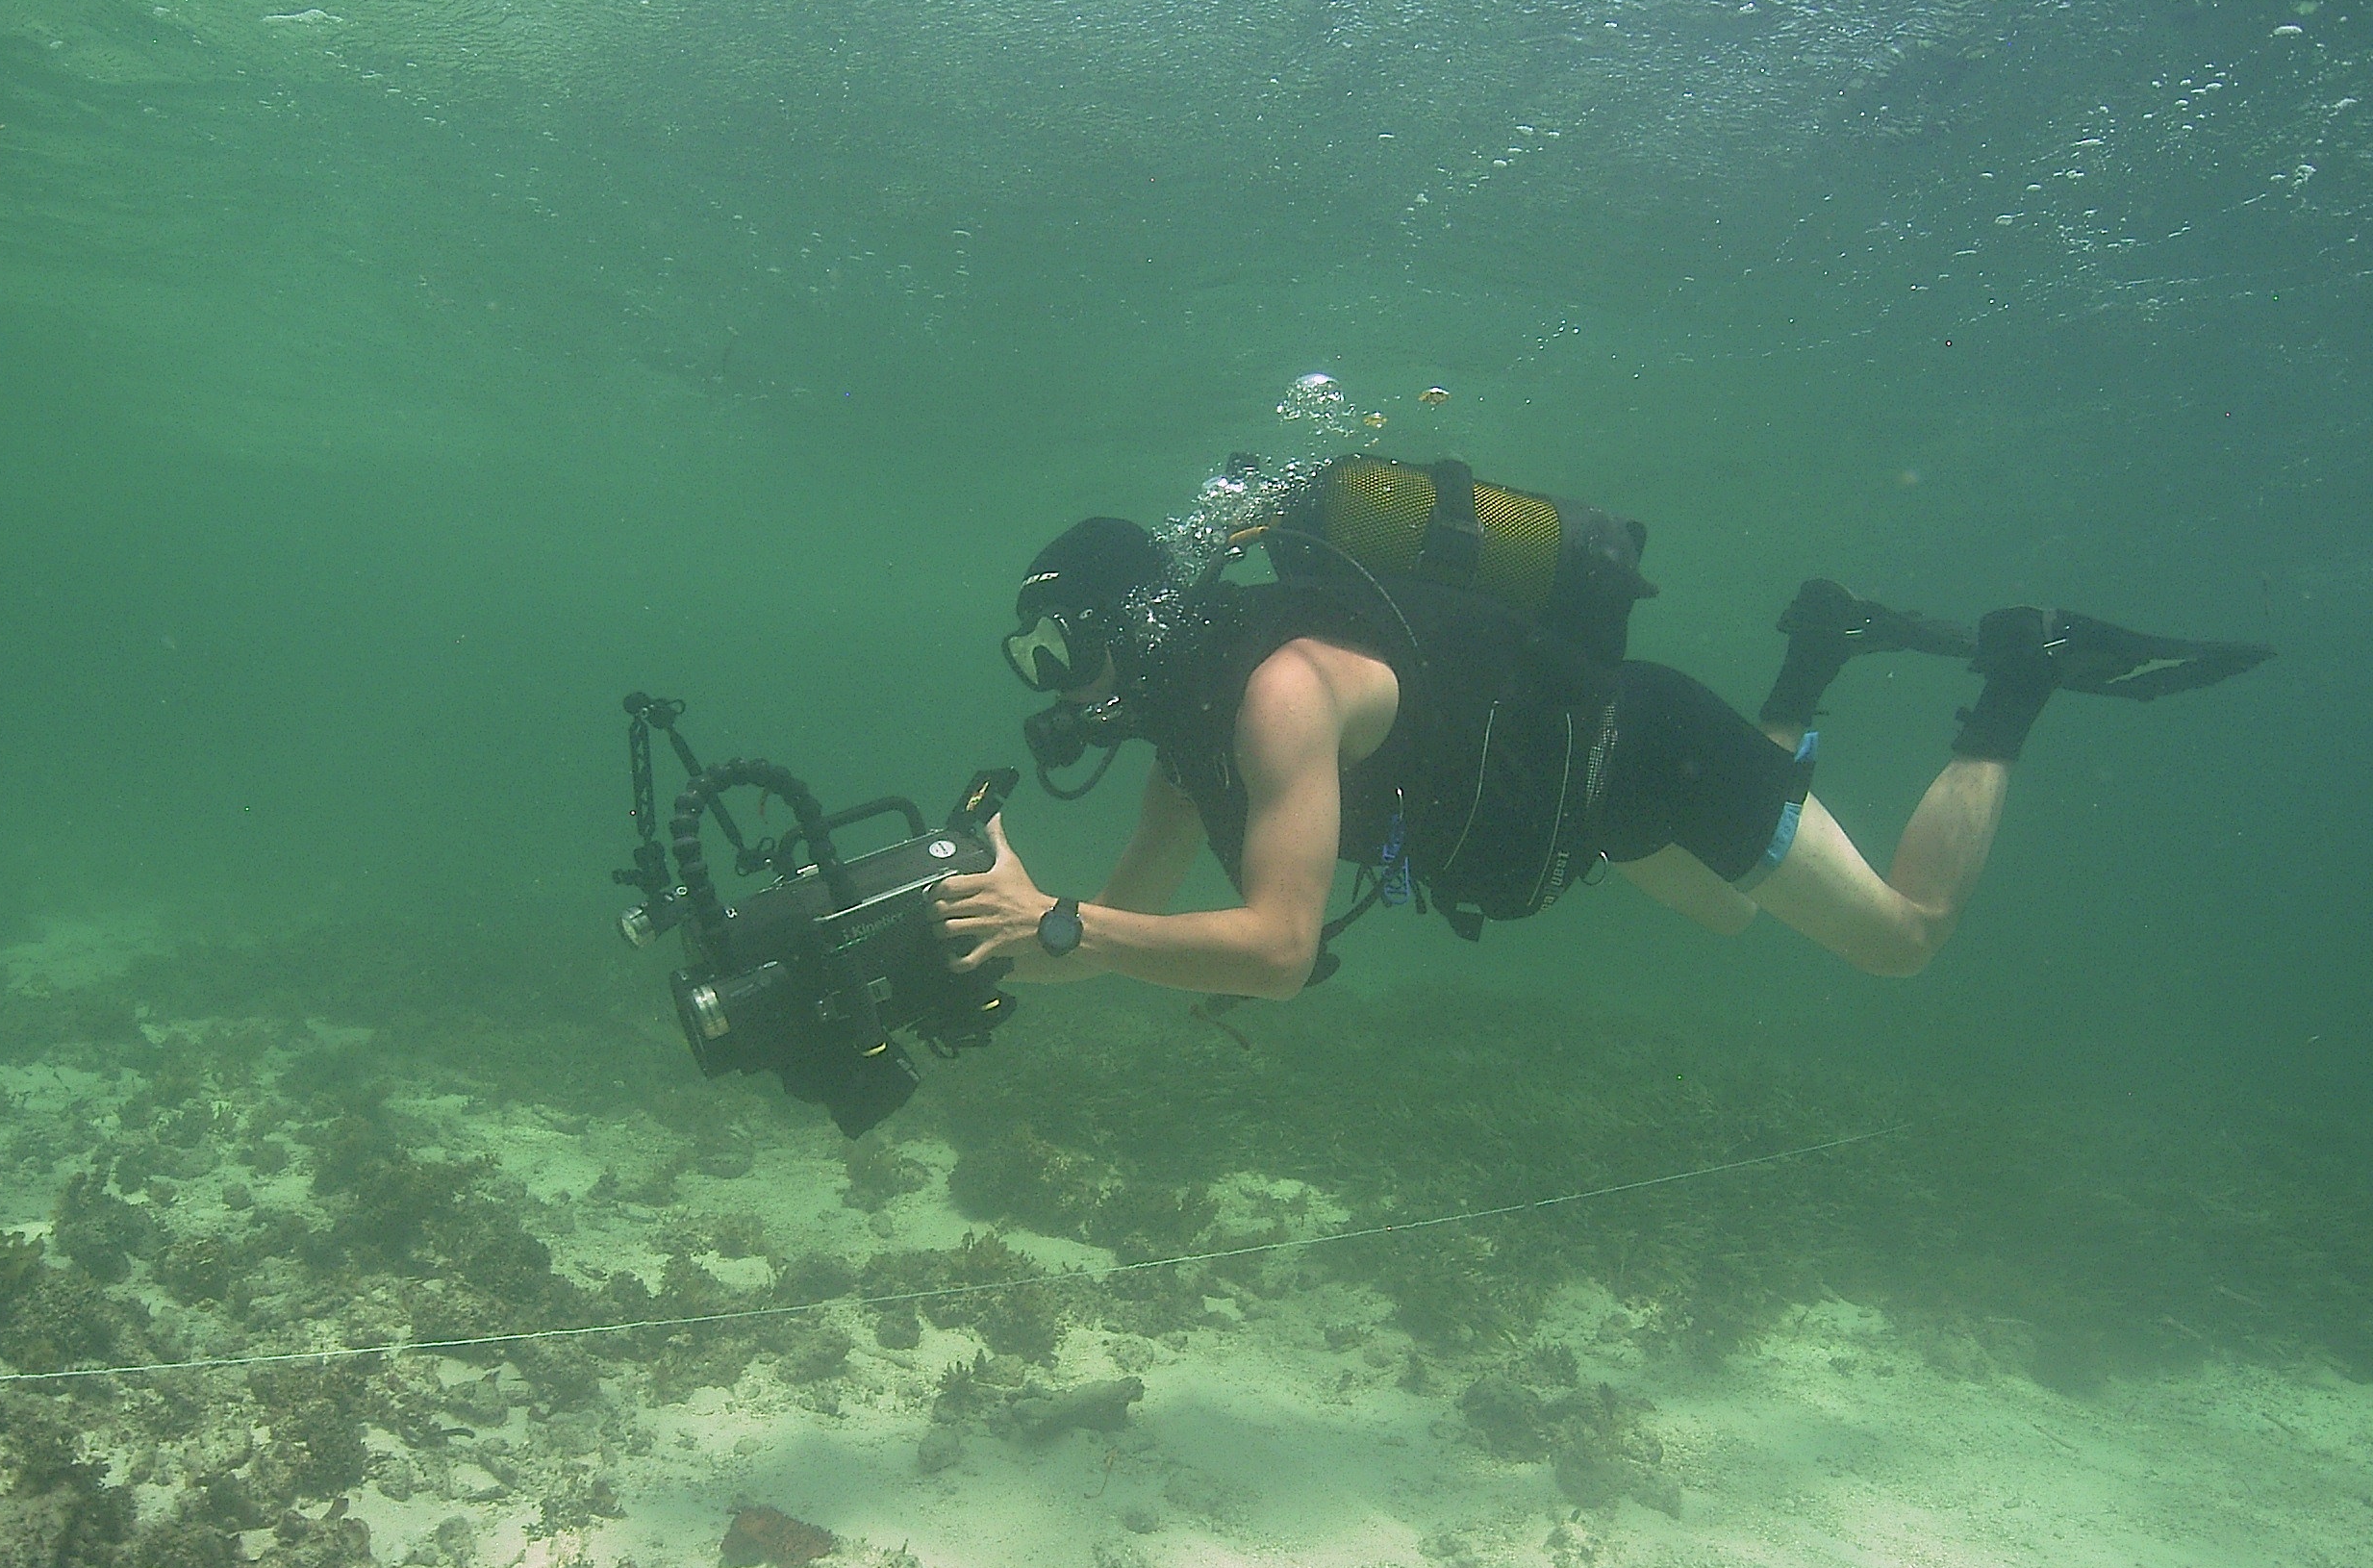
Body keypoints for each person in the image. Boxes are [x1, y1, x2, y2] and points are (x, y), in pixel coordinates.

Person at [929, 460, 2269, 999]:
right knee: (1733, 916)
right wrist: (1008, 923)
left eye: (1059, 648)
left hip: (1644, 753)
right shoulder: (1186, 736)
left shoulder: (1280, 692)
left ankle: (2023, 671)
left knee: (1904, 940)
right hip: (1577, 810)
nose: (1055, 686)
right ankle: (1817, 658)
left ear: (1140, 623)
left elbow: (1276, 955)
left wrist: (1062, 924)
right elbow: (1112, 934)